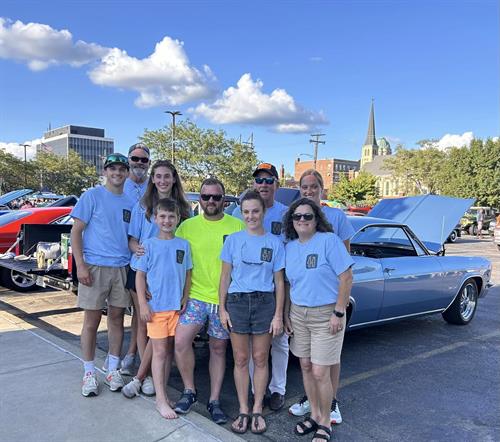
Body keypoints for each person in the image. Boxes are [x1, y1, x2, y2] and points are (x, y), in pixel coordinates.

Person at [173, 177, 244, 424]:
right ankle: (190, 391)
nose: (211, 201)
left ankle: (214, 400)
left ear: (224, 200)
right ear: (200, 199)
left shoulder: (237, 226)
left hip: (223, 301)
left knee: (218, 348)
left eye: (216, 197)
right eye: (206, 197)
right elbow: (174, 261)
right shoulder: (186, 227)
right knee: (181, 342)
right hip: (194, 297)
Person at [283, 198, 353, 442]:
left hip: (326, 315)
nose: (302, 220)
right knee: (305, 366)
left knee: (321, 371)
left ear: (316, 219)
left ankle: (325, 421)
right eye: (297, 216)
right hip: (298, 314)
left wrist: (338, 312)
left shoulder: (329, 242)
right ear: (291, 221)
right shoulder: (289, 247)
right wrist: (286, 314)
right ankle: (313, 414)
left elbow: (346, 278)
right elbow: (291, 283)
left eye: (307, 216)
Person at [122, 160, 191, 397]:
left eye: (167, 176)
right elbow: (132, 239)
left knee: (161, 331)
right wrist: (137, 248)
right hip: (144, 272)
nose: (162, 180)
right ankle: (146, 374)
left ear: (174, 179)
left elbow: (184, 246)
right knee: (146, 324)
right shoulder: (142, 206)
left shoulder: (184, 208)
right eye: (158, 176)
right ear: (153, 179)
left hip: (170, 279)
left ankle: (146, 375)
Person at [219, 191, 285, 434]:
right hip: (237, 302)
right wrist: (222, 309)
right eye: (246, 212)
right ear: (241, 213)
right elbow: (225, 276)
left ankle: (257, 408)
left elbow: (279, 282)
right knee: (240, 359)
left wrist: (278, 314)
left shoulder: (274, 243)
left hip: (264, 302)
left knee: (260, 358)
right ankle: (243, 409)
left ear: (263, 212)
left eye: (255, 211)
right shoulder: (233, 241)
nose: (251, 216)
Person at [70, 153, 134, 397]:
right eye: (113, 169)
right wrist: (81, 265)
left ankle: (113, 368)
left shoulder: (130, 202)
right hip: (95, 266)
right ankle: (88, 373)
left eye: (121, 169)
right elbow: (77, 232)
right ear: (105, 172)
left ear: (126, 173)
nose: (117, 173)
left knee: (117, 318)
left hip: (121, 267)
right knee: (91, 321)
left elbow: (129, 237)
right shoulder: (92, 196)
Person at [232, 162, 289, 411]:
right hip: (249, 290)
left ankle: (278, 389)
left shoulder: (288, 213)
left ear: (277, 183)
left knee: (280, 340)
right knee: (256, 347)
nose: (263, 185)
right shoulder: (238, 213)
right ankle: (258, 392)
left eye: (269, 180)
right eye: (259, 180)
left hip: (281, 283)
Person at [135, 198, 192, 419]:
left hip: (176, 309)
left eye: (171, 217)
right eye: (163, 216)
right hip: (156, 308)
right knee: (159, 353)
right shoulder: (148, 245)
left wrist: (185, 297)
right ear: (155, 219)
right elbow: (140, 276)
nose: (167, 220)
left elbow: (187, 273)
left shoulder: (183, 245)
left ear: (178, 219)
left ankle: (163, 393)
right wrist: (142, 303)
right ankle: (160, 400)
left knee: (169, 352)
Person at [117, 143, 151, 375]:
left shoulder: (154, 187)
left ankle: (134, 356)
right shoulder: (119, 185)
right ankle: (123, 356)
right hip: (120, 257)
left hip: (147, 262)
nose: (139, 163)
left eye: (143, 160)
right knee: (121, 312)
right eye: (135, 159)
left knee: (142, 313)